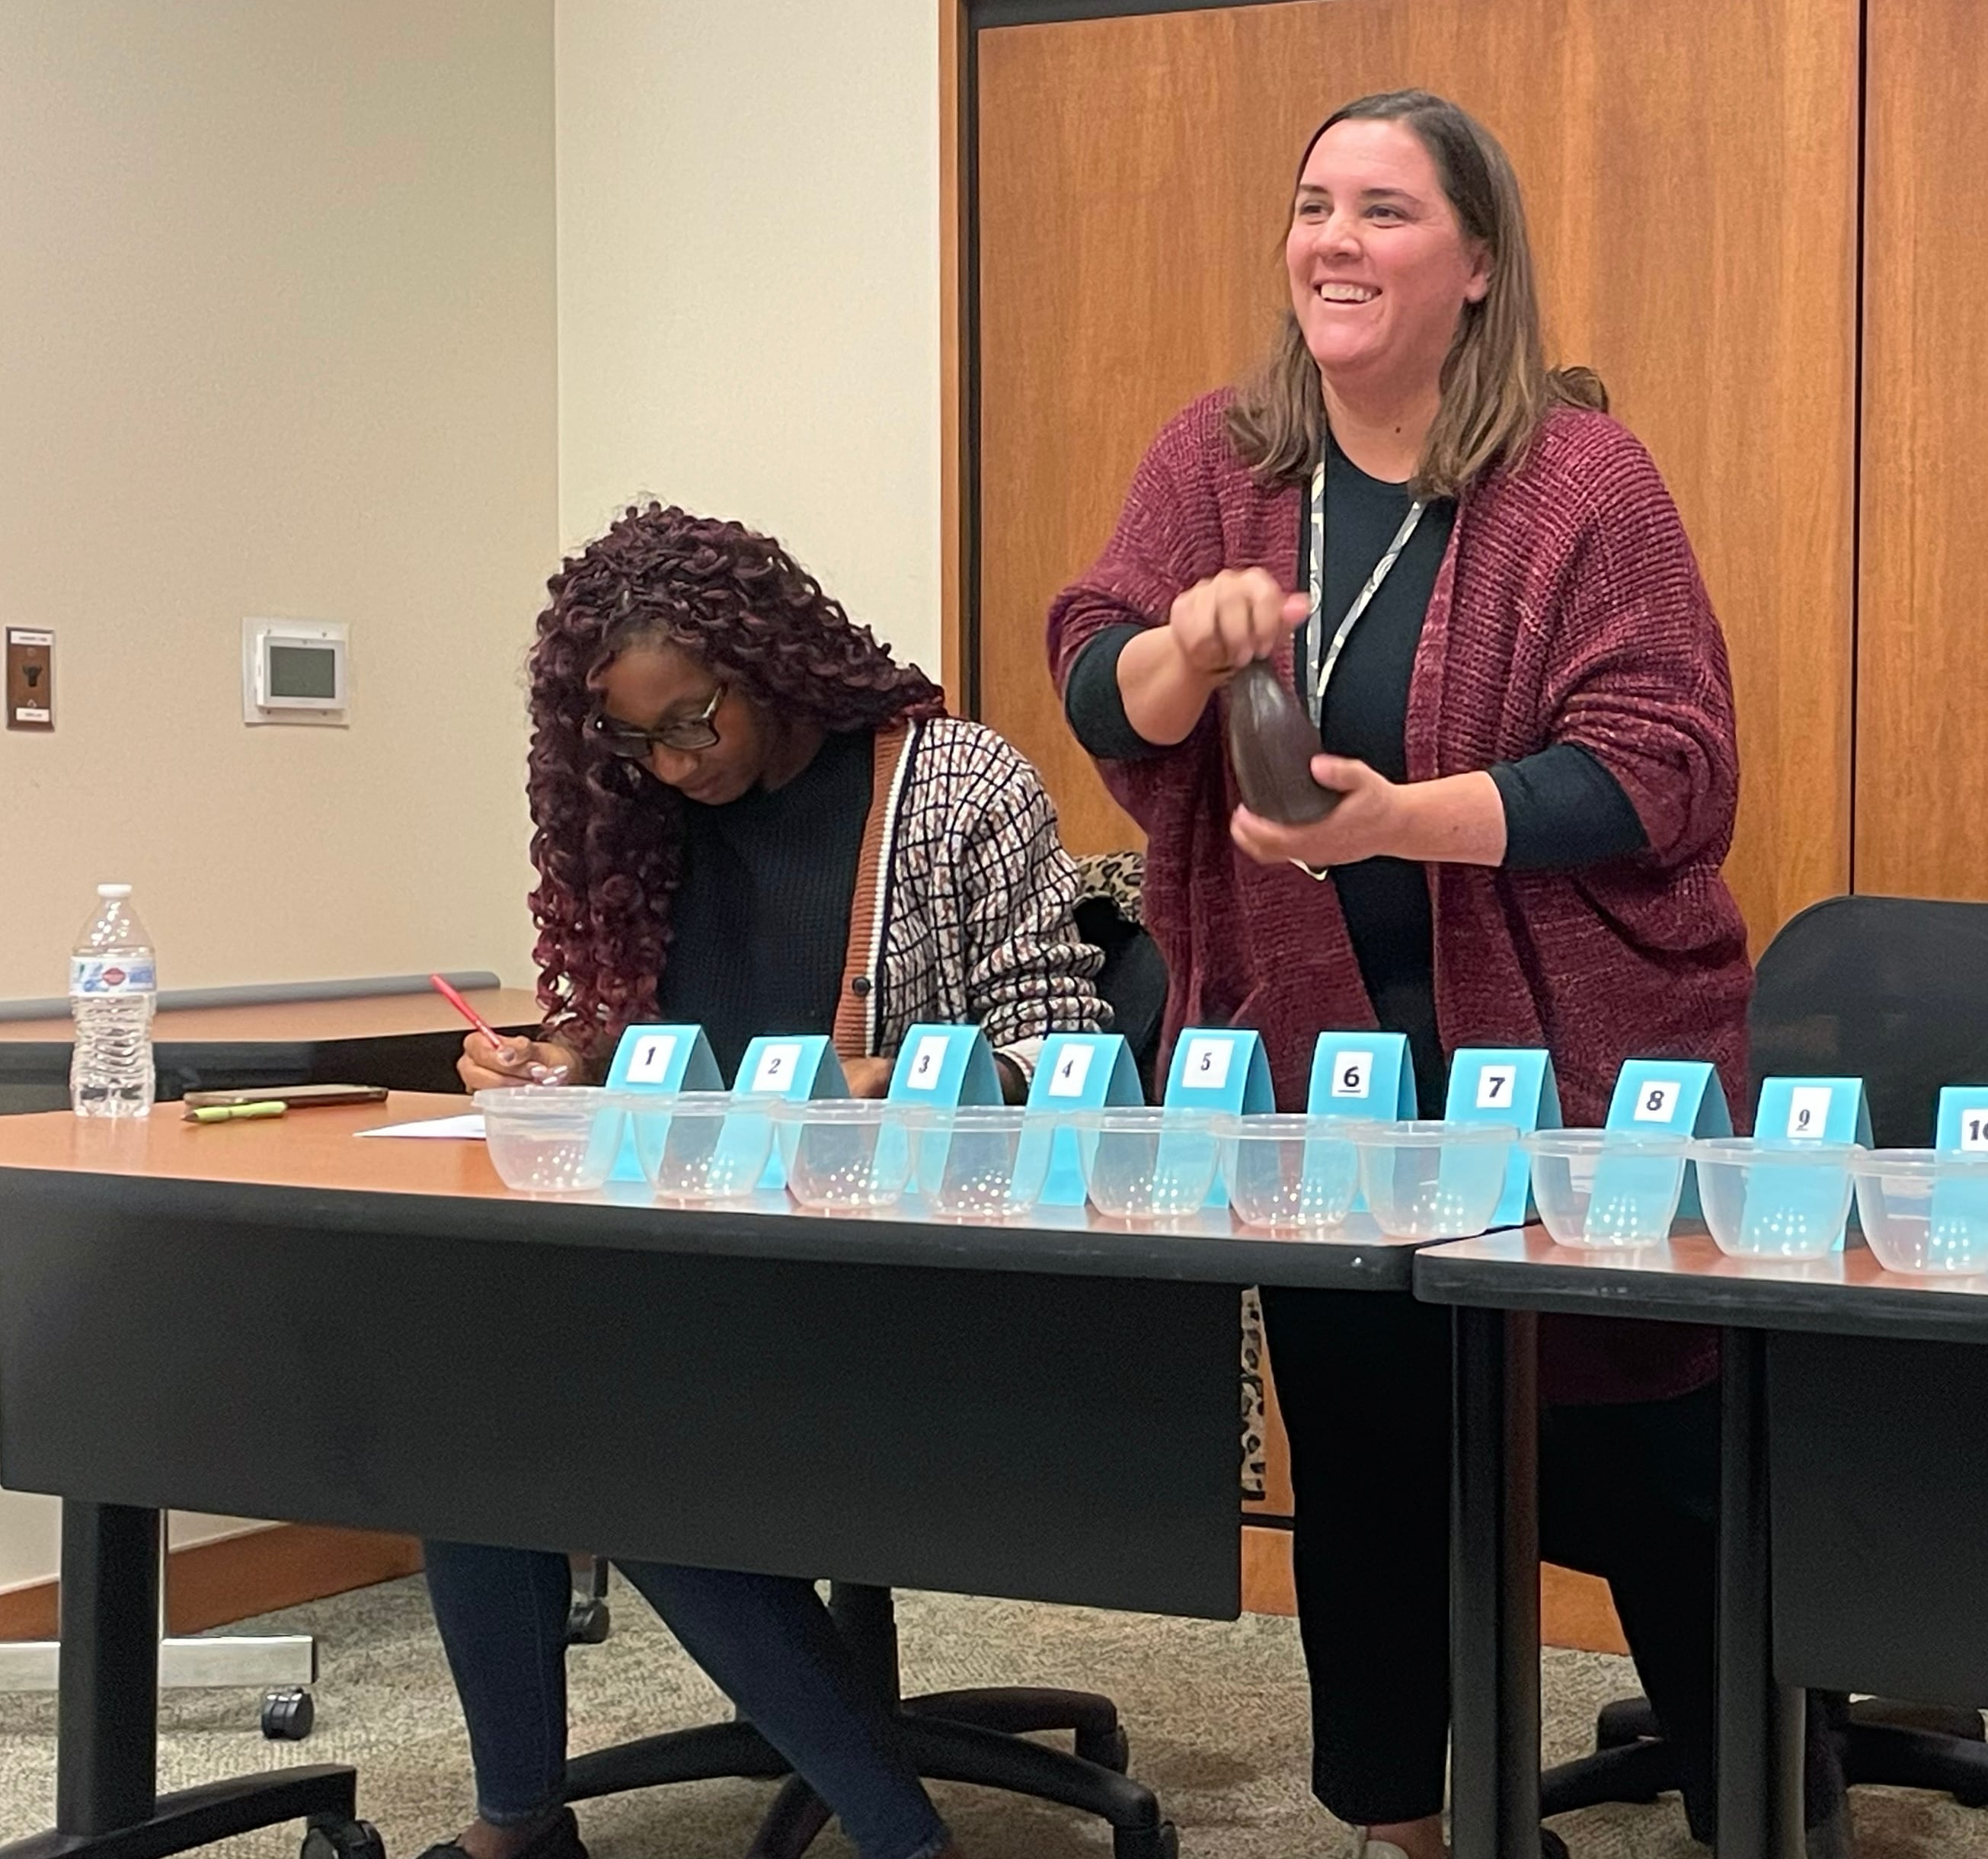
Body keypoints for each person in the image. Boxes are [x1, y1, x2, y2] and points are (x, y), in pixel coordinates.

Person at [1050, 91, 1836, 1859]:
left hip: (1569, 1063)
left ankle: (1761, 1819)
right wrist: (1179, 641)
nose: (1334, 239)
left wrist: (1404, 816)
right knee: (1370, 1463)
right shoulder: (1219, 461)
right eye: (1313, 202)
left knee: (1652, 1472)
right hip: (1311, 1070)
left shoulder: (1580, 479)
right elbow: (1098, 679)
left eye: (1385, 210)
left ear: (1476, 266)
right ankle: (1411, 1824)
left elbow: (1663, 762)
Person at [434, 504, 1111, 1859]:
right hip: (702, 1260)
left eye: (693, 721)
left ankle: (899, 1836)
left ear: (773, 660)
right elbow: (649, 1052)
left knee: (622, 1432)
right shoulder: (647, 827)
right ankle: (520, 1823)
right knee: (465, 1412)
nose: (672, 764)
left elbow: (1069, 1055)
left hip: (906, 1267)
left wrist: (895, 1080)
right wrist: (556, 1062)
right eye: (632, 740)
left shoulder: (958, 785)